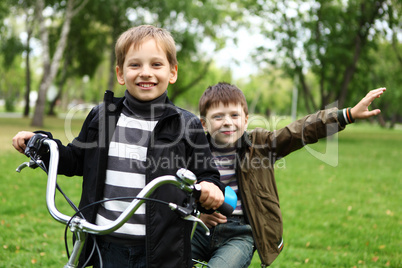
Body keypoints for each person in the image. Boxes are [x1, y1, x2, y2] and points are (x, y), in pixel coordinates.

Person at [12, 25, 225, 268]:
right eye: (135, 65)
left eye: (156, 65)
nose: (146, 73)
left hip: (162, 249)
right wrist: (42, 145)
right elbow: (75, 159)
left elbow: (208, 174)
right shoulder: (102, 117)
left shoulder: (186, 125)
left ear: (172, 72)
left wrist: (209, 186)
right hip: (106, 244)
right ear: (120, 73)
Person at [191, 82, 386, 268]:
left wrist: (347, 115)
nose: (227, 122)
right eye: (218, 117)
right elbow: (174, 189)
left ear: (246, 119)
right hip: (199, 229)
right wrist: (198, 214)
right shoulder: (193, 152)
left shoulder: (261, 144)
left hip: (240, 233)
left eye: (234, 115)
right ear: (204, 124)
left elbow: (299, 131)